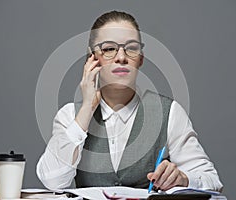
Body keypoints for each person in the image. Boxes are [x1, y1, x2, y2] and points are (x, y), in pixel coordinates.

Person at [36, 10, 223, 192]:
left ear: (140, 58)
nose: (121, 57)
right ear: (92, 58)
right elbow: (53, 181)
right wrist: (86, 108)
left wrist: (183, 179)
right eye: (109, 49)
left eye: (131, 48)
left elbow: (211, 179)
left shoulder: (169, 113)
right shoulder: (70, 115)